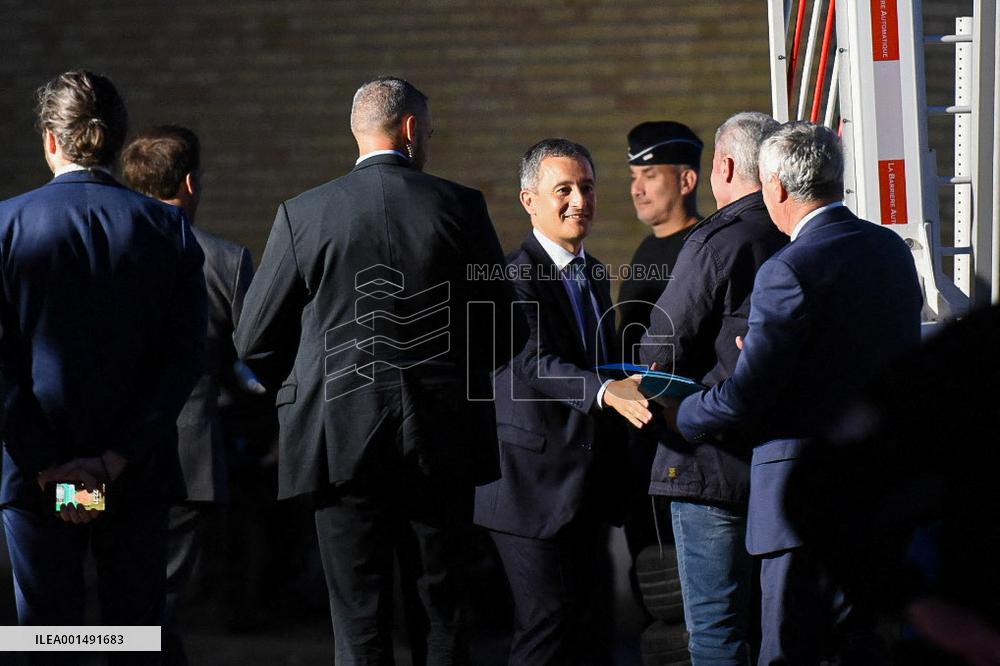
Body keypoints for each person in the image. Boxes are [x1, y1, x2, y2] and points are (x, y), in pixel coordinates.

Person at [234, 76, 519, 664]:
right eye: (430, 132)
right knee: (441, 612)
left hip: (337, 438)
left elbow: (254, 337)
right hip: (439, 436)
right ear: (411, 130)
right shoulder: (460, 207)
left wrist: (308, 377)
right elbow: (505, 329)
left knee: (357, 617)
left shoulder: (303, 214)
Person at [660, 121, 923, 663]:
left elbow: (745, 396)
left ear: (776, 187)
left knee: (790, 652)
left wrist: (682, 414)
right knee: (860, 648)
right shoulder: (891, 250)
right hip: (881, 487)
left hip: (802, 501)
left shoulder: (789, 269)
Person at [0, 71, 206, 662]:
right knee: (133, 634)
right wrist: (113, 458)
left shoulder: (8, 228)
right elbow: (182, 357)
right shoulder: (167, 228)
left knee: (48, 635)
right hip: (130, 472)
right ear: (117, 140)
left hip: (38, 475)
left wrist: (49, 464)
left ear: (49, 140)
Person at [473, 138, 652, 665]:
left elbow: (594, 360)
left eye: (588, 187)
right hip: (528, 487)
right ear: (530, 201)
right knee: (545, 627)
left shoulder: (593, 273)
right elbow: (534, 361)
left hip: (585, 487)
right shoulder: (513, 276)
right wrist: (603, 390)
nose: (580, 200)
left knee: (591, 630)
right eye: (564, 190)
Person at [638, 111, 786, 663]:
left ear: (723, 166)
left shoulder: (716, 240)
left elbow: (661, 349)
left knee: (716, 636)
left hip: (707, 464)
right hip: (780, 465)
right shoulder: (796, 231)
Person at [121, 125, 255, 665]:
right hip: (185, 466)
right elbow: (259, 359)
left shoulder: (95, 249)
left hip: (90, 466)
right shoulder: (225, 261)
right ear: (192, 182)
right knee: (160, 595)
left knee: (101, 585)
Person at [615, 122, 703, 619]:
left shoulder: (702, 249)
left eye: (649, 174)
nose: (636, 187)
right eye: (633, 175)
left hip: (679, 450)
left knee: (681, 595)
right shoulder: (649, 250)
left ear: (686, 181)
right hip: (639, 450)